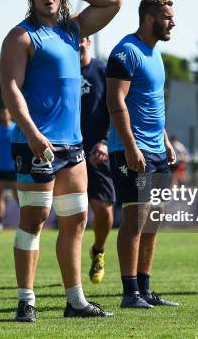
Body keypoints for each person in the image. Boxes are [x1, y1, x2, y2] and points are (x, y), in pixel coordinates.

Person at [0, 0, 120, 321]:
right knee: (34, 219)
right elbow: (11, 90)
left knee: (76, 220)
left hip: (73, 147)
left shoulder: (73, 30)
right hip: (36, 144)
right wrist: (33, 134)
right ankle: (26, 300)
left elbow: (113, 2)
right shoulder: (21, 36)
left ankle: (76, 301)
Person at [106, 0, 179, 308]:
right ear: (150, 19)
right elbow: (115, 102)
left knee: (154, 221)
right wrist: (132, 147)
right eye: (167, 17)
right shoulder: (126, 52)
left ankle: (146, 289)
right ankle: (129, 292)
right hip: (130, 150)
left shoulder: (155, 53)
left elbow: (150, 102)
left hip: (156, 150)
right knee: (135, 220)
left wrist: (164, 139)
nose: (172, 22)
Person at [79, 36, 116, 284]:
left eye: (82, 39)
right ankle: (72, 274)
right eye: (74, 39)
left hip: (97, 152)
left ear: (89, 41)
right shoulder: (61, 71)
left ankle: (98, 250)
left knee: (103, 211)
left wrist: (105, 141)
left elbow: (117, 108)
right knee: (73, 214)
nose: (79, 44)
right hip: (67, 152)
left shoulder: (103, 71)